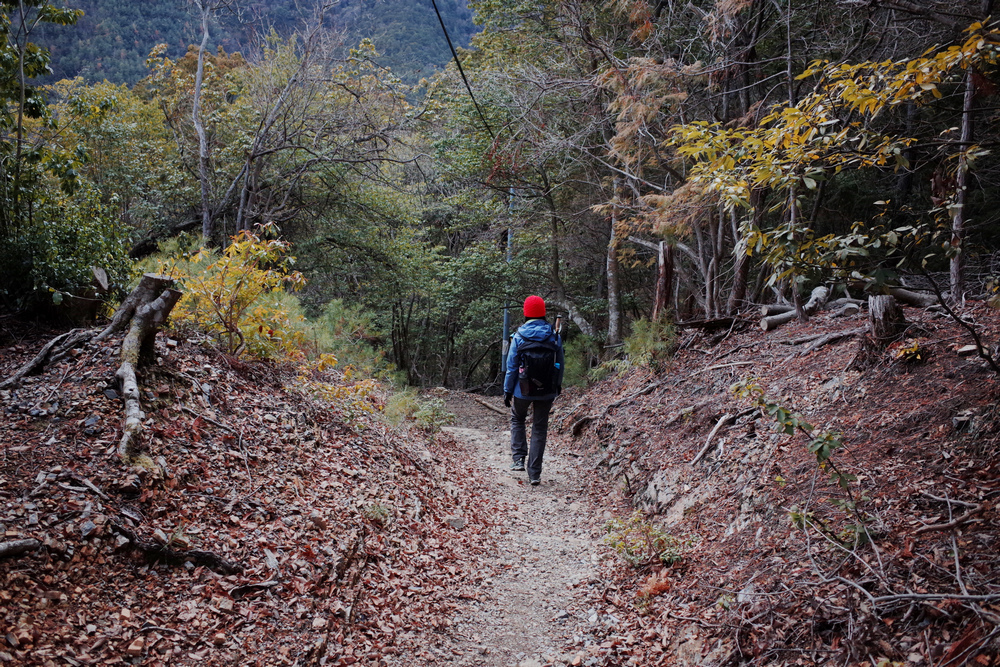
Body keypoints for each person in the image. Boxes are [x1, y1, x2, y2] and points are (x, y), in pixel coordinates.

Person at [504, 295, 564, 486]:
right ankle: (535, 474)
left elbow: (511, 367)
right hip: (547, 390)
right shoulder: (554, 336)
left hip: (522, 390)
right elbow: (560, 364)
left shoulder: (519, 336)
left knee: (517, 418)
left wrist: (507, 391)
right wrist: (557, 386)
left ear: (526, 313)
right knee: (539, 428)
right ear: (543, 313)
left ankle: (518, 460)